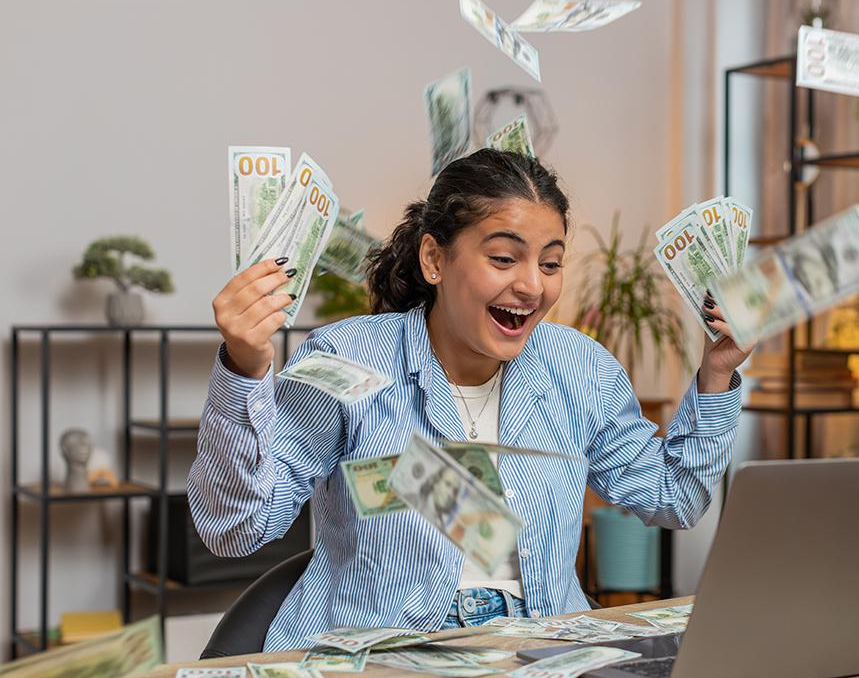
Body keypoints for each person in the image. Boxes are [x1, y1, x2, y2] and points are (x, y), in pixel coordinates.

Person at [188, 149, 752, 651]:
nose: (533, 285)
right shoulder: (346, 357)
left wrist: (717, 374)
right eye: (504, 259)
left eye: (550, 263)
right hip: (381, 662)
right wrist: (243, 367)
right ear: (434, 260)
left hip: (543, 657)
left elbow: (675, 498)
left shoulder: (580, 370)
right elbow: (236, 526)